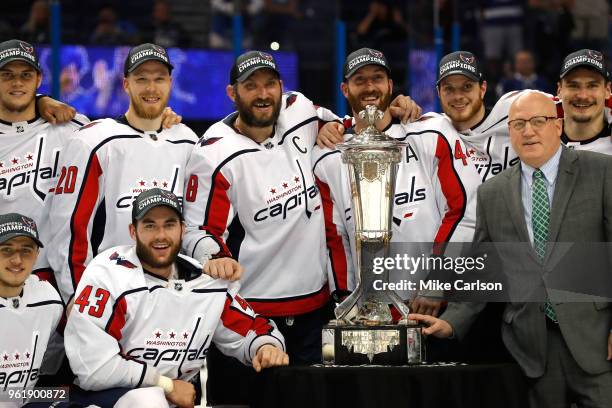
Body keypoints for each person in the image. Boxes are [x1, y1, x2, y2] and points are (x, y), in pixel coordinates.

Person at [411, 91, 612, 408]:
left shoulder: (601, 172)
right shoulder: (493, 193)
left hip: (598, 341)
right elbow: (483, 268)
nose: (528, 131)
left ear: (557, 125)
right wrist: (452, 321)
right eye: (518, 124)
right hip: (532, 349)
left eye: (538, 121)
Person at [64, 188, 288, 408]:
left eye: (169, 225)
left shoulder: (206, 282)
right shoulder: (108, 273)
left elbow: (252, 329)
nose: (160, 235)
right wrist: (166, 386)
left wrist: (265, 347)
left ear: (182, 230)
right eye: (150, 225)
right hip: (105, 399)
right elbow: (93, 368)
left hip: (178, 398)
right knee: (149, 401)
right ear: (133, 232)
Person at [313, 47, 469, 308]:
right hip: (369, 308)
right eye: (359, 80)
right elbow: (336, 239)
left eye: (377, 78)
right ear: (344, 89)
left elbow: (457, 210)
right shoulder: (328, 156)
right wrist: (346, 300)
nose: (370, 87)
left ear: (390, 85)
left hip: (432, 302)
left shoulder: (429, 133)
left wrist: (438, 281)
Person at [46, 43, 198, 304]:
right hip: (111, 294)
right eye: (142, 79)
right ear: (126, 84)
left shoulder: (186, 141)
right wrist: (78, 297)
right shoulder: (95, 140)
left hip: (172, 295)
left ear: (170, 83)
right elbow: (69, 231)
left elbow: (195, 224)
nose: (151, 88)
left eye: (159, 79)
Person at [0, 213, 63, 406]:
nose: (17, 260)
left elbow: (48, 368)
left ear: (36, 256)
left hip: (26, 400)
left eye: (26, 251)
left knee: (66, 398)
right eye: (6, 250)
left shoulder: (49, 299)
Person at [557, 48, 612, 154]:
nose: (583, 96)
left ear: (607, 90)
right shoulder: (536, 130)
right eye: (573, 86)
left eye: (592, 86)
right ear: (559, 90)